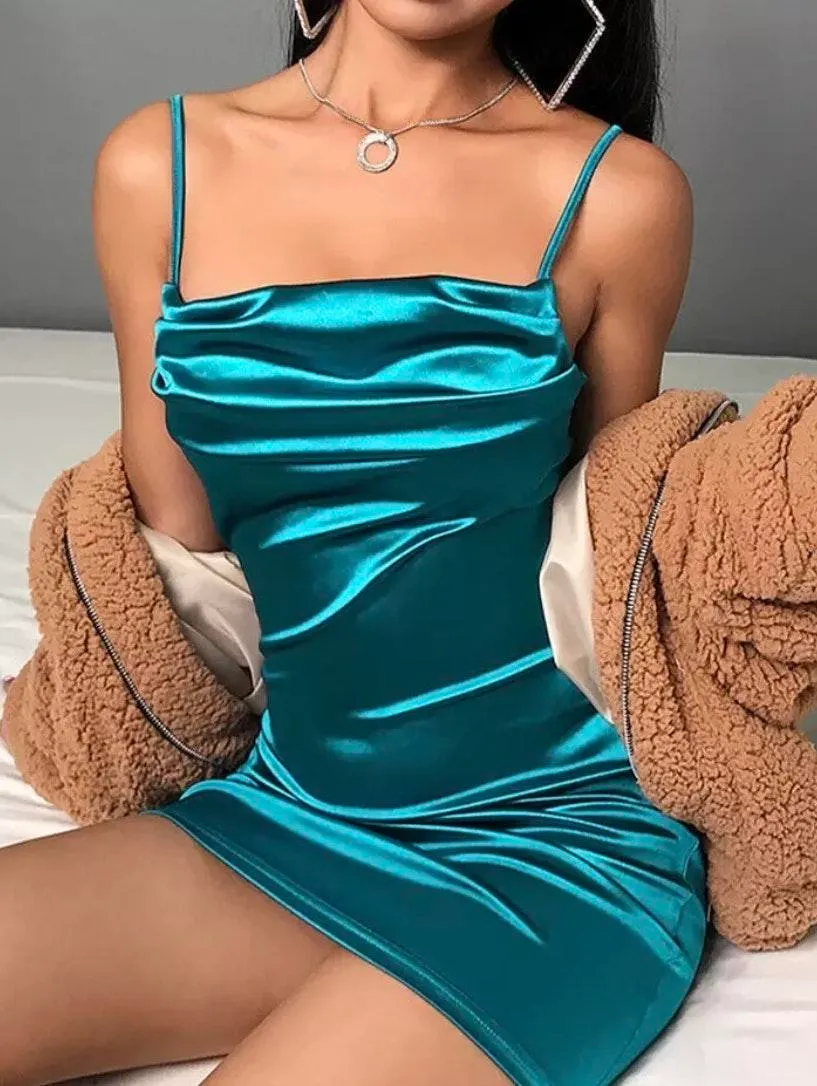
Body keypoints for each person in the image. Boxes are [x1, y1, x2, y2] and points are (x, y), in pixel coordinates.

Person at [0, 2, 708, 1083]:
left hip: (553, 848)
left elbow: (619, 565)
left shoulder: (618, 194)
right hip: (289, 809)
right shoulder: (158, 166)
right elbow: (183, 559)